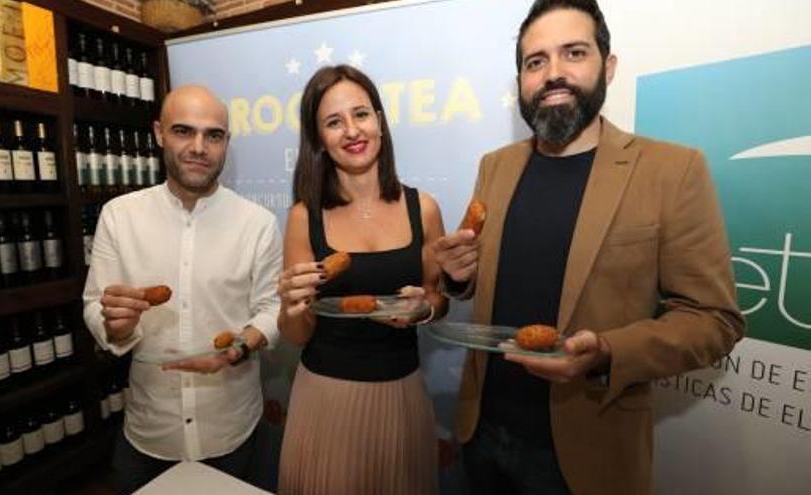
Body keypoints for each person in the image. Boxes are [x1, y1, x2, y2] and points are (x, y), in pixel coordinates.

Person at [432, 1, 745, 494]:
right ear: (521, 81)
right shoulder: (496, 166)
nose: (553, 74)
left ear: (609, 66)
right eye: (535, 62)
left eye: (573, 53)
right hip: (480, 433)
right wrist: (456, 275)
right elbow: (480, 280)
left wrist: (605, 353)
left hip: (587, 455)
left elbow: (714, 320)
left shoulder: (672, 170)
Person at [82, 85, 282, 494]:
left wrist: (239, 347)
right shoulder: (119, 216)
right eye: (183, 131)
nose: (198, 147)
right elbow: (93, 303)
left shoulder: (257, 223)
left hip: (232, 429)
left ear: (226, 142)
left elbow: (272, 307)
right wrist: (115, 327)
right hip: (150, 432)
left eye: (213, 135)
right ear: (158, 133)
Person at [276, 65, 447, 495]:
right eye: (334, 122)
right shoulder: (303, 216)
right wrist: (292, 305)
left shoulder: (422, 208)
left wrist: (425, 308)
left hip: (402, 396)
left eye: (361, 114)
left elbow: (438, 297)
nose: (352, 130)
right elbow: (296, 334)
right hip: (325, 399)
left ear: (380, 122)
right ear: (318, 141)